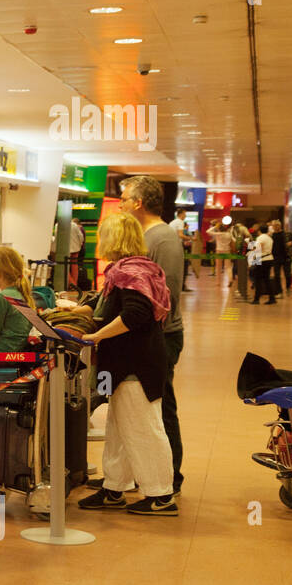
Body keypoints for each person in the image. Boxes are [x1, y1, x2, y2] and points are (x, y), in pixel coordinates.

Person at [75, 211, 177, 516]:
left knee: (143, 428)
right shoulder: (132, 271)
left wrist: (97, 336)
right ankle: (114, 488)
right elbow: (110, 304)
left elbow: (134, 315)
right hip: (125, 365)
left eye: (104, 234)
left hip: (136, 366)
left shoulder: (130, 273)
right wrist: (79, 307)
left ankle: (161, 495)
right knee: (119, 427)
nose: (99, 240)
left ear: (114, 238)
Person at [120, 176, 186, 496]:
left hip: (162, 336)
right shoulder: (146, 236)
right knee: (144, 406)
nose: (120, 204)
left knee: (160, 406)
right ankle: (143, 473)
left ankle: (171, 476)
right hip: (147, 336)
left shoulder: (164, 239)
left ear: (138, 203)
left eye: (123, 199)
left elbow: (165, 295)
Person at [251, 223, 276, 305]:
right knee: (266, 279)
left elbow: (258, 249)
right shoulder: (270, 238)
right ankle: (272, 298)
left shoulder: (260, 238)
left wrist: (254, 260)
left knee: (258, 280)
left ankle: (256, 299)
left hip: (262, 260)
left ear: (259, 230)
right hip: (269, 259)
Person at [170, 209, 193, 290]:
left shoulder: (173, 222)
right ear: (181, 214)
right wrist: (191, 238)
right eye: (185, 214)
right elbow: (180, 235)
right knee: (183, 266)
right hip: (178, 247)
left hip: (171, 246)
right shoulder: (180, 222)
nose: (185, 216)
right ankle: (182, 286)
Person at [206, 218, 233, 286]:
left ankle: (218, 282)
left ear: (219, 229)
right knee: (228, 267)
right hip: (227, 250)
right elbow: (234, 240)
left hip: (219, 251)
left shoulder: (218, 234)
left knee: (218, 267)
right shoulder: (229, 234)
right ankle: (230, 279)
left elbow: (208, 231)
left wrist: (215, 226)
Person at [271, 220, 289, 298]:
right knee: (277, 275)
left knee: (287, 274)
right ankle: (279, 292)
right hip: (276, 258)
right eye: (273, 226)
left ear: (279, 226)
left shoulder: (285, 234)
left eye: (276, 225)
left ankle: (287, 288)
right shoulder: (272, 235)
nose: (274, 227)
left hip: (285, 257)